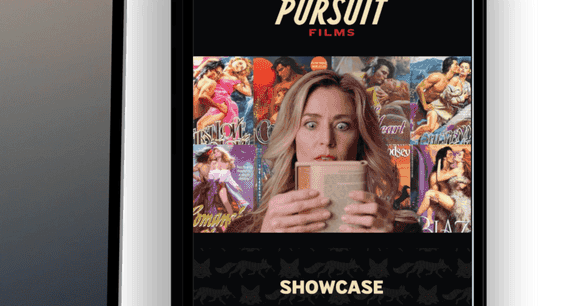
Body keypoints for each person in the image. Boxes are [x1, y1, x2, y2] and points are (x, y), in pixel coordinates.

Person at [225, 70, 421, 234]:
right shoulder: (244, 229)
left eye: (342, 126)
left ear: (361, 140)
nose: (327, 140)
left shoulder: (402, 229)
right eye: (311, 124)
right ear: (291, 137)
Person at [418, 146, 472, 233]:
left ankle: (415, 216)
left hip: (457, 202)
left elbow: (439, 178)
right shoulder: (458, 170)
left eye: (459, 155)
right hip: (457, 202)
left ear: (462, 160)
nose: (456, 155)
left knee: (429, 193)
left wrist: (439, 163)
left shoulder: (457, 170)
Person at [191, 146, 251, 218]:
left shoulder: (214, 163)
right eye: (212, 153)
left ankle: (232, 217)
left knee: (224, 201)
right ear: (208, 156)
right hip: (205, 186)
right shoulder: (201, 165)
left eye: (215, 153)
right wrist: (196, 177)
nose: (214, 154)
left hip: (217, 185)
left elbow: (226, 175)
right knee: (203, 203)